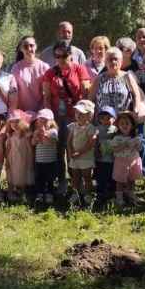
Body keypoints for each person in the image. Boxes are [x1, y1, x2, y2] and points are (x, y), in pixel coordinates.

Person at [42, 41, 92, 194]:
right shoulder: (50, 73)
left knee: (74, 147)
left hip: (75, 117)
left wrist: (83, 116)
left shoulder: (79, 69)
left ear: (70, 55)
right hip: (57, 117)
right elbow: (46, 97)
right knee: (59, 149)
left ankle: (77, 181)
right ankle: (62, 180)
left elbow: (85, 92)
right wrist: (49, 118)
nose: (61, 59)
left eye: (64, 56)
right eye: (57, 56)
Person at [67, 100, 97, 207]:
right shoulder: (73, 126)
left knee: (87, 176)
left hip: (85, 157)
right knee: (75, 176)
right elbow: (69, 141)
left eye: (82, 113)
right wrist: (70, 152)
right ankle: (75, 193)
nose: (78, 115)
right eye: (77, 113)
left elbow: (90, 144)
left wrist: (79, 153)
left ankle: (88, 194)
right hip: (74, 157)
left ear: (89, 116)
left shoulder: (90, 128)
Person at [110, 111, 143, 206]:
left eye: (127, 123)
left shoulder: (135, 137)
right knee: (120, 181)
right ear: (118, 125)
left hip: (133, 161)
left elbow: (139, 149)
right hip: (121, 162)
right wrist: (124, 145)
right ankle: (119, 198)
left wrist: (138, 144)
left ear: (132, 125)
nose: (124, 125)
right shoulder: (117, 138)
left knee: (132, 180)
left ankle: (131, 194)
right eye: (122, 124)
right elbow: (113, 149)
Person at [12, 35, 50, 114]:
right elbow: (14, 93)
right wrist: (14, 112)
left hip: (41, 113)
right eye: (25, 46)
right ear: (21, 49)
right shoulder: (16, 68)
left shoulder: (44, 67)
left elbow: (47, 94)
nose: (29, 49)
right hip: (23, 113)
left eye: (31, 45)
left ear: (36, 47)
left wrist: (46, 112)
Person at [4, 110, 34, 202]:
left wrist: (31, 158)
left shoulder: (26, 134)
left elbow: (30, 147)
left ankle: (22, 193)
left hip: (23, 157)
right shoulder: (10, 135)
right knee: (11, 174)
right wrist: (7, 160)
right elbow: (8, 148)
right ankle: (10, 193)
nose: (14, 124)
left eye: (17, 121)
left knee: (22, 174)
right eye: (12, 122)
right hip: (13, 157)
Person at [32, 108, 59, 205]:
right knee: (40, 178)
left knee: (50, 179)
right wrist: (36, 137)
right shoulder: (36, 131)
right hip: (39, 160)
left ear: (51, 122)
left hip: (50, 161)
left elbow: (50, 142)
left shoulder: (53, 132)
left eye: (45, 121)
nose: (42, 123)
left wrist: (44, 134)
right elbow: (33, 143)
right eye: (40, 120)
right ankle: (40, 194)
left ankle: (49, 194)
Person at [94, 107, 117, 206]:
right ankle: (100, 194)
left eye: (109, 118)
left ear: (114, 119)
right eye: (103, 118)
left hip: (112, 159)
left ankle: (112, 194)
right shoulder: (97, 129)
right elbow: (95, 142)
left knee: (112, 177)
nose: (106, 120)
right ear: (99, 119)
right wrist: (96, 152)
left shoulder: (115, 129)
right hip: (100, 159)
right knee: (101, 177)